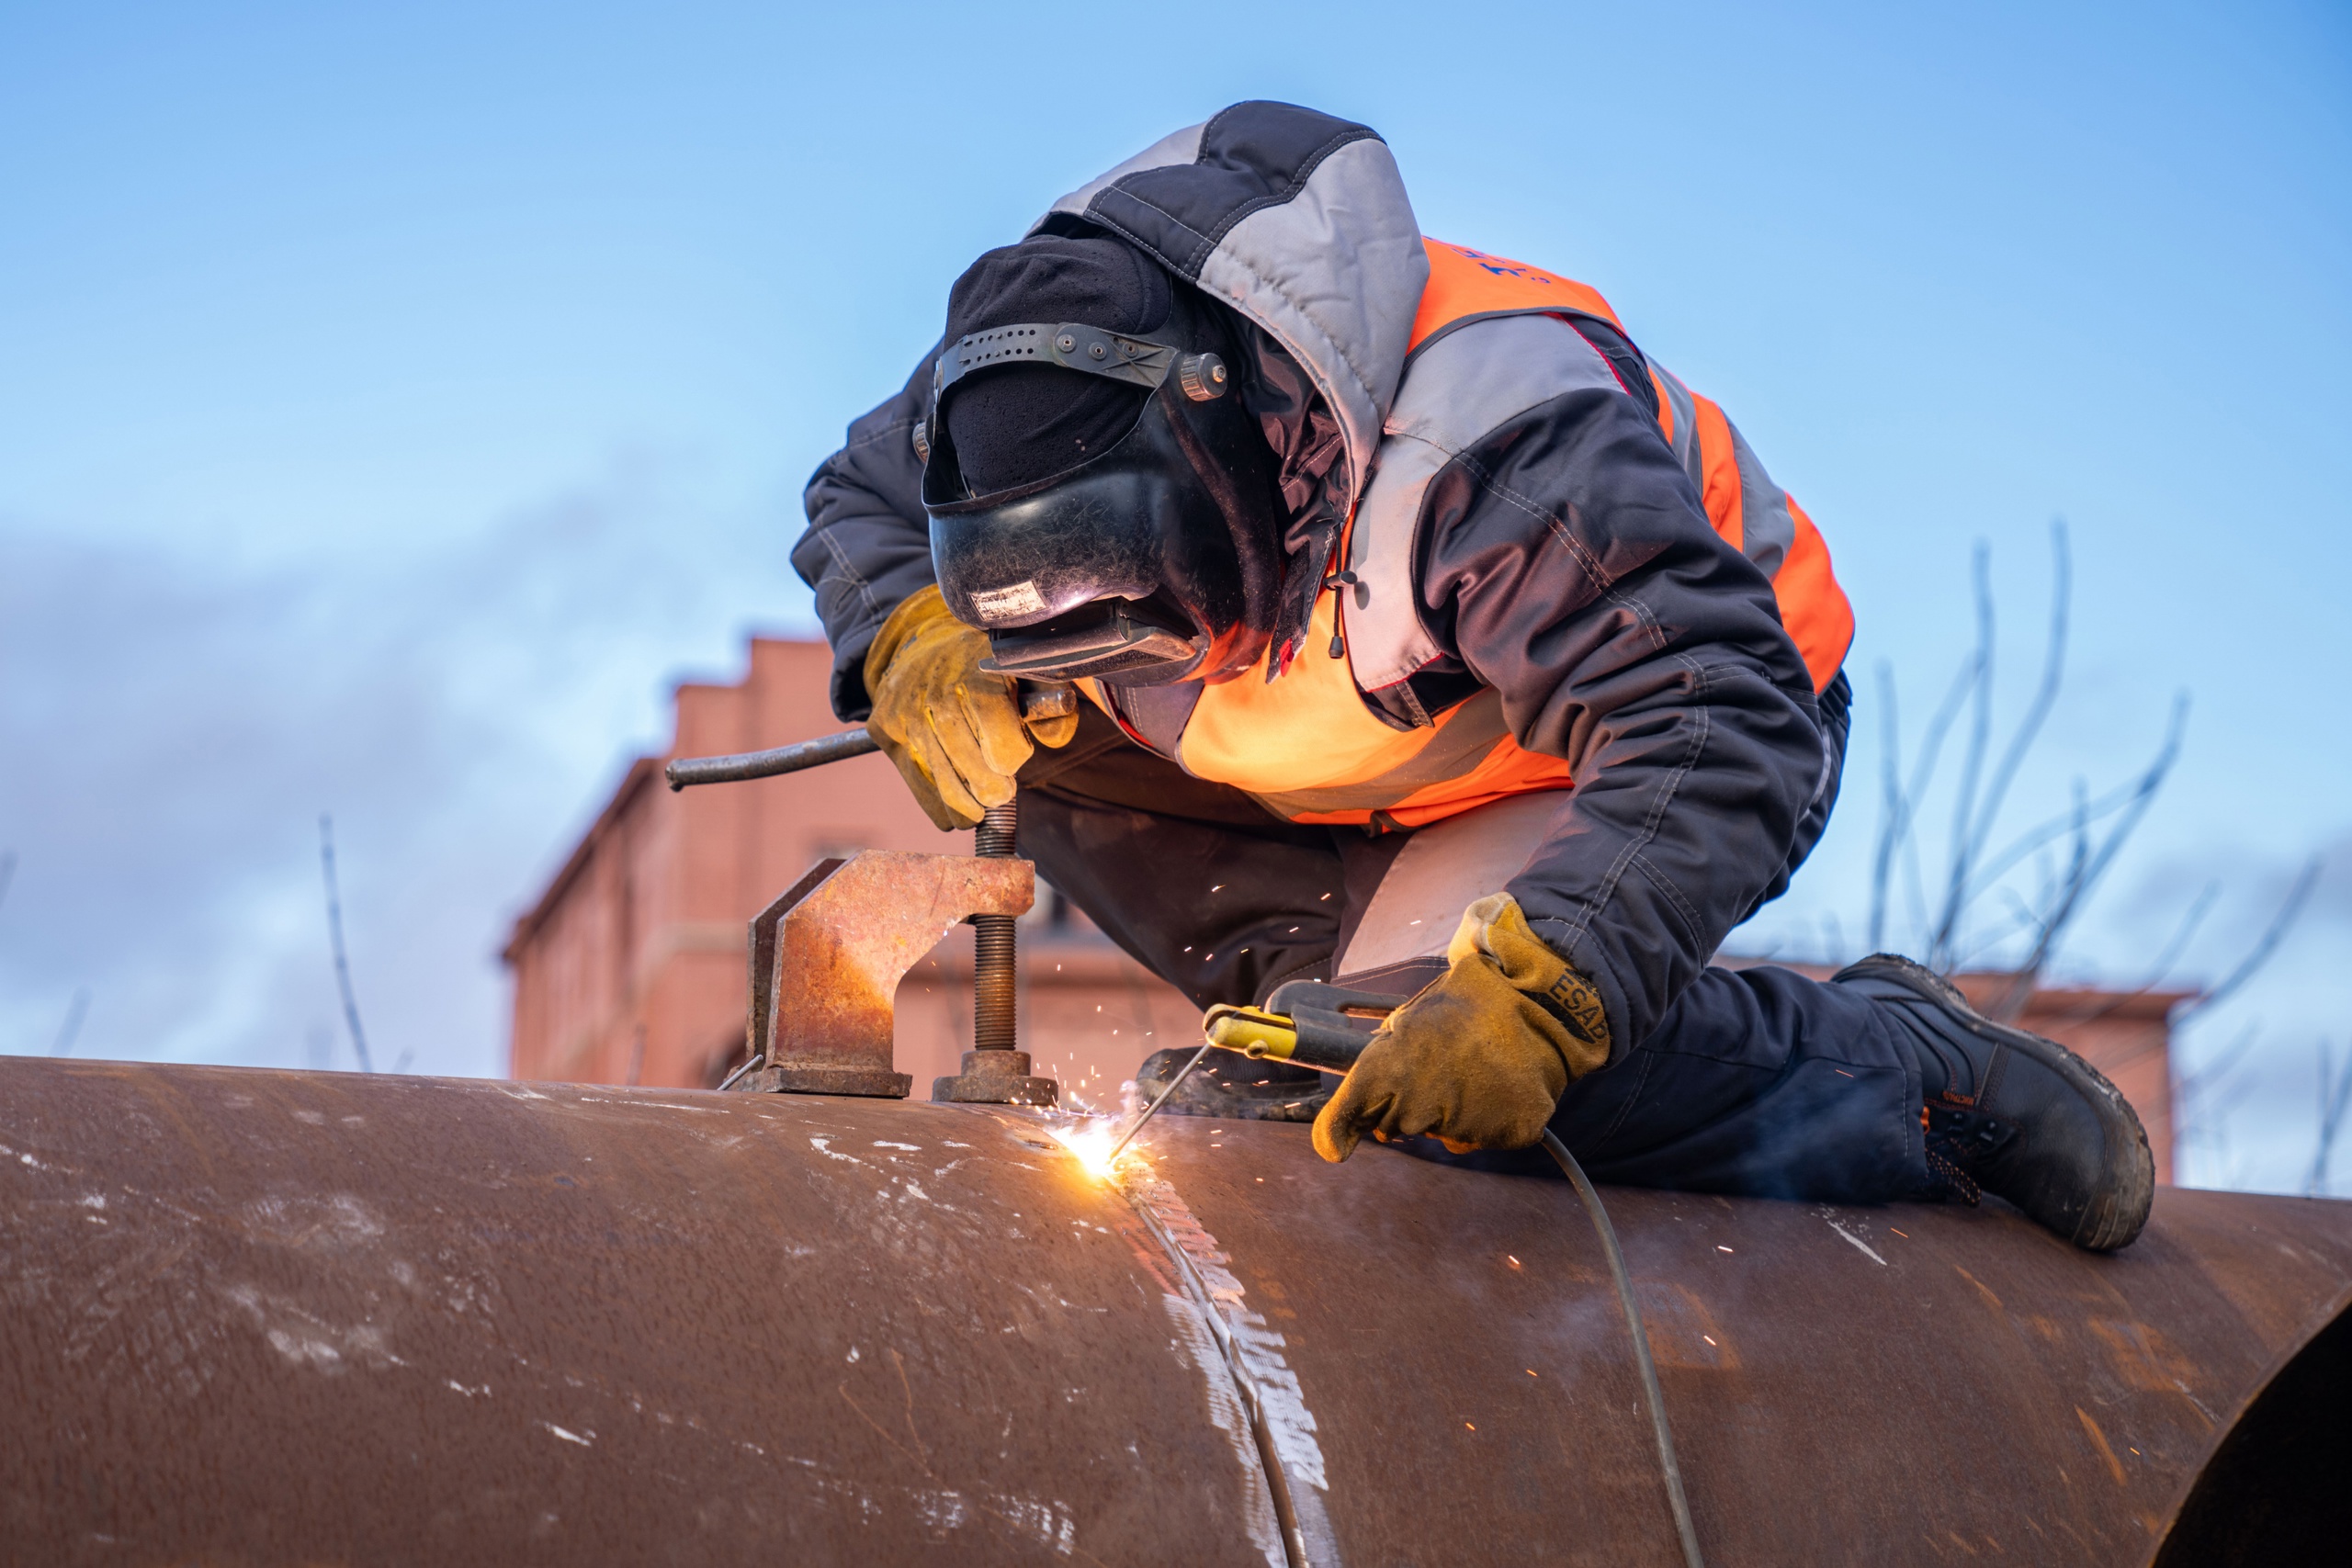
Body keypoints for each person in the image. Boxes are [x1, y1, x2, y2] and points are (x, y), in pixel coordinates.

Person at [794, 101, 2153, 1250]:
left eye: (1119, 587)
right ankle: (1306, 999)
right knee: (1292, 1038)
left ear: (1227, 448)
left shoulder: (1494, 443)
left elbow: (1715, 719)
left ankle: (1918, 1073)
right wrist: (905, 630)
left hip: (1658, 731)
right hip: (1367, 759)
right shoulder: (1013, 377)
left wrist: (1546, 991)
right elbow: (858, 492)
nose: (1107, 656)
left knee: (1456, 1079)